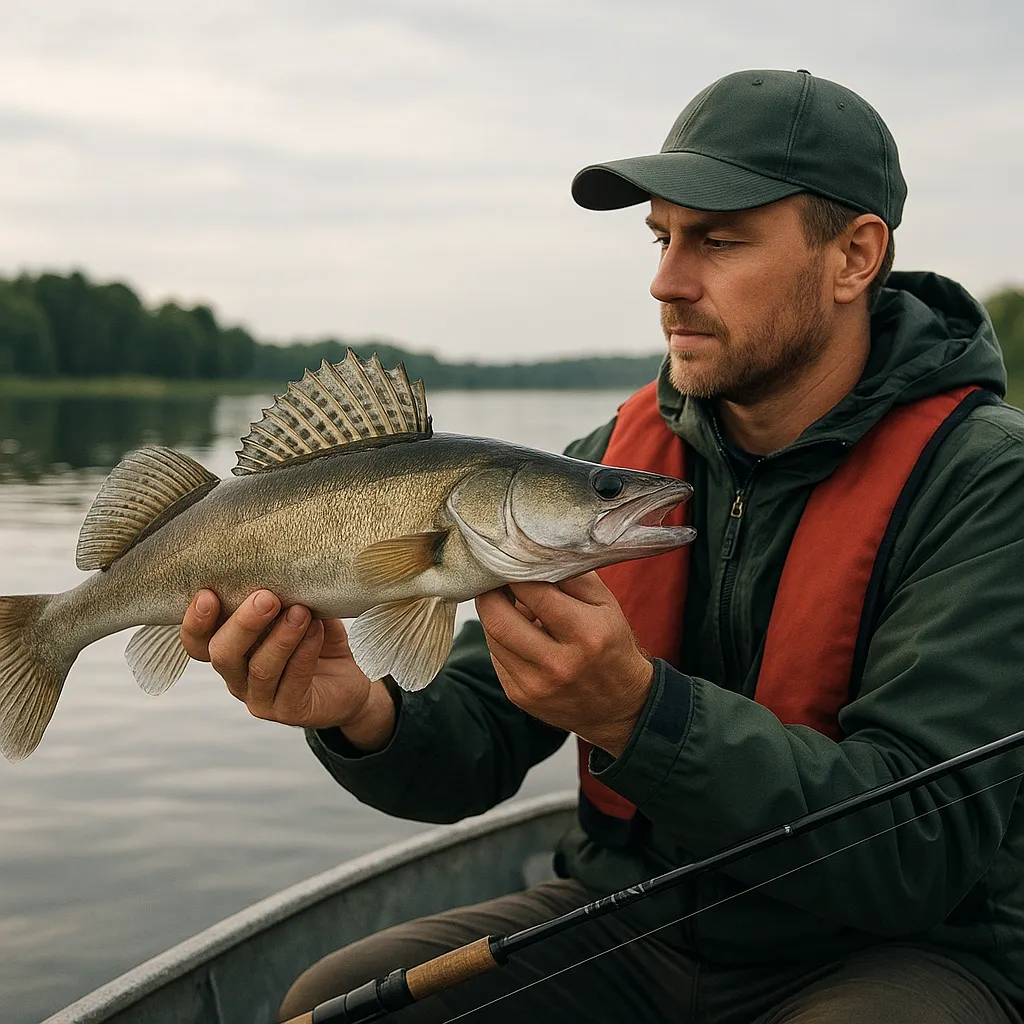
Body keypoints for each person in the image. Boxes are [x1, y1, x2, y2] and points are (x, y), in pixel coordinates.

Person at [181, 69, 1024, 1023]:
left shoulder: (984, 480)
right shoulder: (611, 465)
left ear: (853, 257)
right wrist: (360, 716)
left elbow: (919, 850)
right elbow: (473, 744)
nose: (666, 280)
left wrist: (640, 716)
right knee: (334, 1006)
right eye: (663, 237)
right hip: (636, 921)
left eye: (720, 240)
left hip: (895, 954)